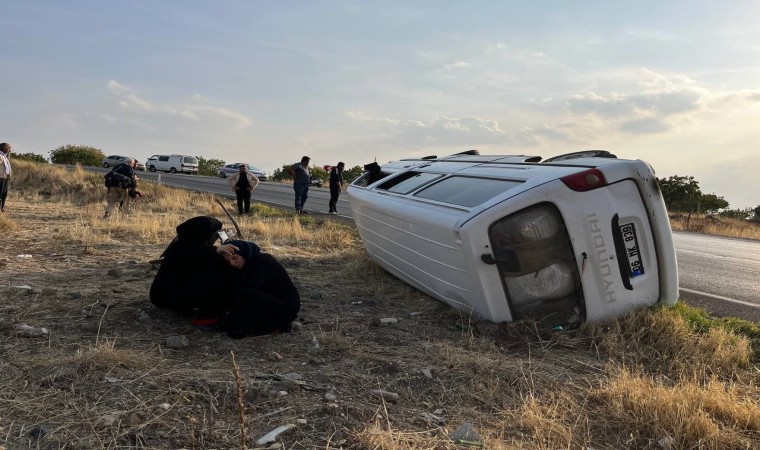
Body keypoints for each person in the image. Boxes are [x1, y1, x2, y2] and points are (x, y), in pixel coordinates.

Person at [150, 216, 235, 319]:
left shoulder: (181, 244)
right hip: (167, 299)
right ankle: (208, 317)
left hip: (161, 296)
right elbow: (201, 252)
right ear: (206, 233)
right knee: (217, 276)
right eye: (215, 234)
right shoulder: (190, 249)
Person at [219, 240, 301, 338]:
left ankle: (278, 325)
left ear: (243, 253)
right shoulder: (247, 262)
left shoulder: (262, 261)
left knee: (244, 293)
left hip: (286, 307)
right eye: (228, 261)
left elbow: (250, 289)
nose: (232, 263)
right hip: (272, 302)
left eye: (235, 258)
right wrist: (218, 250)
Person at [0, 143, 12, 212]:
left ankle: (2, 208)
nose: (10, 150)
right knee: (0, 195)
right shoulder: (0, 156)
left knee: (4, 194)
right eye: (9, 148)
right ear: (5, 148)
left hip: (5, 178)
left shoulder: (4, 156)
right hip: (0, 178)